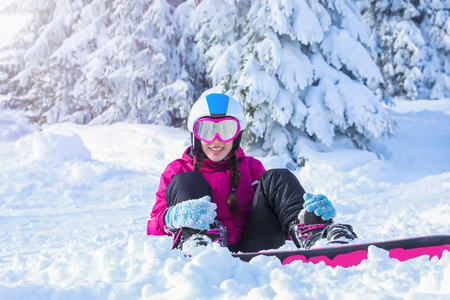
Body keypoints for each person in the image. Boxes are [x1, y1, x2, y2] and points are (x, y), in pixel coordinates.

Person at [147, 92, 357, 252]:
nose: (217, 140)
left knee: (277, 177)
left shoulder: (251, 168)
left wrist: (310, 212)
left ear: (237, 135)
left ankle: (314, 232)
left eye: (226, 130)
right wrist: (170, 218)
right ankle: (199, 239)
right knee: (186, 181)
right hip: (206, 248)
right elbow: (152, 228)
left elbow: (277, 213)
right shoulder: (177, 170)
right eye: (207, 131)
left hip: (255, 245)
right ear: (195, 135)